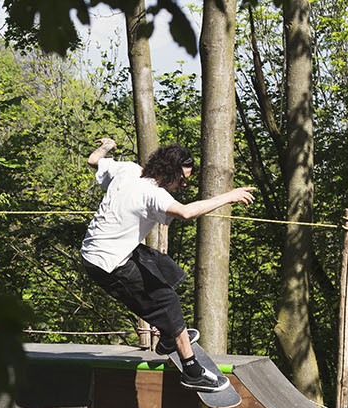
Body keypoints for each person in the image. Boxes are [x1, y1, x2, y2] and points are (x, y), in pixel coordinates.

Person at [80, 137, 256, 391]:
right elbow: (186, 213)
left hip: (101, 249)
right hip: (107, 263)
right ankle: (192, 370)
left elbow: (93, 161)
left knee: (160, 266)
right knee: (167, 301)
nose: (183, 185)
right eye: (182, 179)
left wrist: (106, 146)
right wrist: (229, 196)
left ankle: (168, 337)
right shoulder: (153, 194)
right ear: (168, 172)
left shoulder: (128, 169)